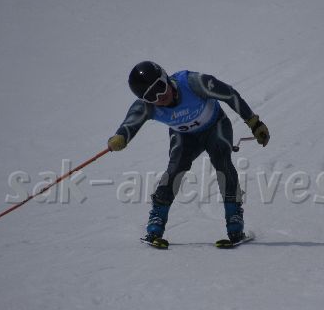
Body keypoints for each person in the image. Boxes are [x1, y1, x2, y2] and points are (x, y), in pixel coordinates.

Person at [107, 61, 269, 246]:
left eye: (160, 87)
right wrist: (120, 138)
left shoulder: (193, 83)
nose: (160, 96)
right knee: (175, 168)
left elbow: (229, 94)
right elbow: (129, 124)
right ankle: (156, 223)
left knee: (222, 162)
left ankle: (234, 220)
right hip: (184, 136)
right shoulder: (147, 107)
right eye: (151, 96)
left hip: (215, 126)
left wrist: (254, 123)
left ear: (166, 77)